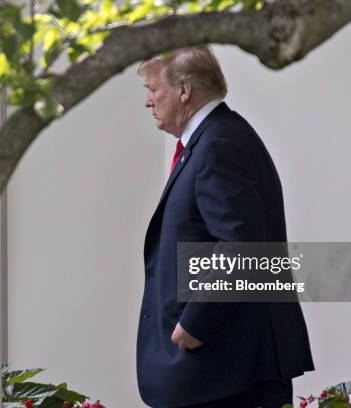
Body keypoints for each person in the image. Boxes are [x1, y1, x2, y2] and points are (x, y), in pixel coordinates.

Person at [136, 46, 314, 408]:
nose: (148, 102)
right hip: (219, 371)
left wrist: (196, 323)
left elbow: (241, 246)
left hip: (226, 374)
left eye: (154, 89)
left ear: (184, 90)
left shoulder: (218, 143)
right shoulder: (212, 140)